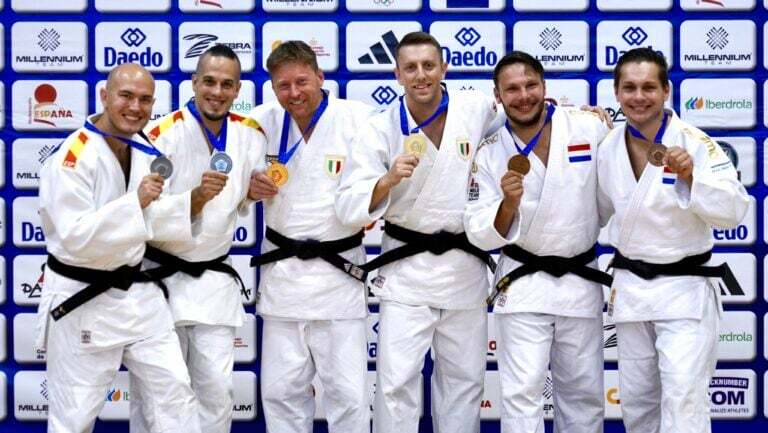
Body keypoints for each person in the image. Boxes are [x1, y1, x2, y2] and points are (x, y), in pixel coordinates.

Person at [335, 31, 500, 433]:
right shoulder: (380, 128)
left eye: (429, 66)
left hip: (463, 271)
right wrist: (387, 181)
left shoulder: (474, 108)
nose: (421, 75)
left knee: (464, 382)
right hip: (407, 273)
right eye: (410, 68)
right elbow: (348, 204)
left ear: (444, 68)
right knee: (395, 384)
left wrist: (571, 115)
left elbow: (519, 121)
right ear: (397, 74)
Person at [36, 63, 201, 433]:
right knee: (74, 416)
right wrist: (135, 203)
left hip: (137, 295)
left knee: (175, 393)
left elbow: (153, 218)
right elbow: (73, 237)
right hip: (84, 297)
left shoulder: (144, 147)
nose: (135, 107)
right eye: (126, 96)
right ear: (104, 96)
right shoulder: (73, 158)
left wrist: (197, 200)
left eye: (145, 99)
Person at [597, 47, 749, 433]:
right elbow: (598, 209)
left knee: (683, 398)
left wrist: (691, 177)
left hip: (683, 290)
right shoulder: (609, 146)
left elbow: (734, 209)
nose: (639, 96)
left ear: (666, 91)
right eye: (629, 88)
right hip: (632, 290)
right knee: (638, 402)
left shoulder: (694, 142)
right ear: (616, 93)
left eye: (649, 87)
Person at [465, 51, 613, 433]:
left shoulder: (587, 128)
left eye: (531, 85)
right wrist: (507, 205)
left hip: (580, 280)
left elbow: (619, 184)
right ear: (498, 96)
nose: (523, 96)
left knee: (584, 396)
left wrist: (608, 124)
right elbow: (480, 231)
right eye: (512, 89)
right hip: (523, 284)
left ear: (544, 86)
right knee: (521, 396)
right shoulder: (490, 149)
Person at [128, 45, 267, 433]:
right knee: (157, 394)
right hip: (159, 279)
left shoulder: (250, 135)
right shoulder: (158, 135)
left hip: (212, 281)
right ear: (193, 83)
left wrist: (252, 192)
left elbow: (240, 198)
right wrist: (195, 199)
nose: (217, 92)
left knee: (217, 392)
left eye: (227, 84)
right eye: (209, 81)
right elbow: (141, 212)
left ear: (238, 89)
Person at [247, 40, 374, 433]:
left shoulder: (358, 119)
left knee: (349, 396)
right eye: (283, 86)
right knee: (281, 393)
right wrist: (247, 187)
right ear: (272, 87)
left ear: (320, 77)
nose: (294, 93)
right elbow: (233, 182)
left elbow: (380, 181)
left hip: (338, 276)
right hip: (284, 279)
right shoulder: (259, 122)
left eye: (302, 81)